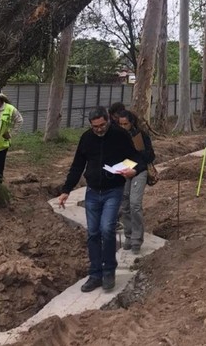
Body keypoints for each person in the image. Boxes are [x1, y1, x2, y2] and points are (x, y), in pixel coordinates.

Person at [57, 106, 145, 292]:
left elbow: (136, 156)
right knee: (93, 233)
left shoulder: (120, 135)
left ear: (108, 120)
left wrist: (132, 169)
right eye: (95, 126)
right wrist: (66, 190)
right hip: (92, 191)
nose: (99, 129)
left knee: (106, 229)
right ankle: (95, 274)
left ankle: (108, 272)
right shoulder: (87, 138)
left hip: (113, 190)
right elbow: (77, 165)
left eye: (102, 125)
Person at [118, 109, 155, 254]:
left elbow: (149, 156)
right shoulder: (116, 136)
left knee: (135, 204)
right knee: (125, 204)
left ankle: (136, 239)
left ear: (131, 123)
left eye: (125, 124)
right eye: (120, 124)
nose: (122, 127)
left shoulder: (140, 136)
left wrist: (136, 165)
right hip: (124, 171)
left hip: (139, 171)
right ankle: (128, 235)